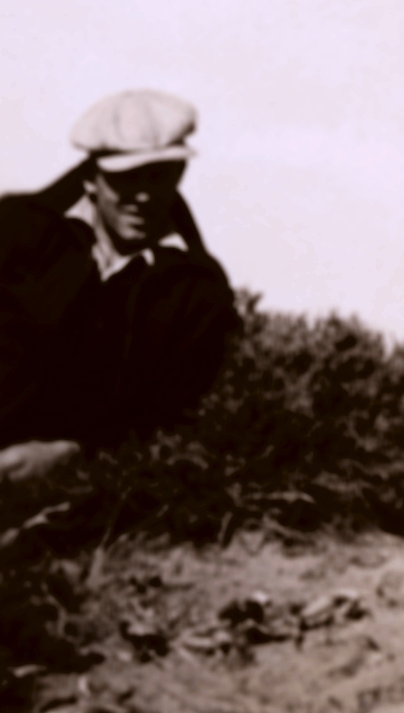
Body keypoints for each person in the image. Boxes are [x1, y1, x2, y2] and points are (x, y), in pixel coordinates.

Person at [0, 90, 238, 482]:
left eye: (159, 176)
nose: (143, 196)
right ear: (91, 179)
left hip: (76, 483)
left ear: (180, 174)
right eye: (126, 179)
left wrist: (71, 453)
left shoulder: (198, 291)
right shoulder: (16, 232)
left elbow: (173, 413)